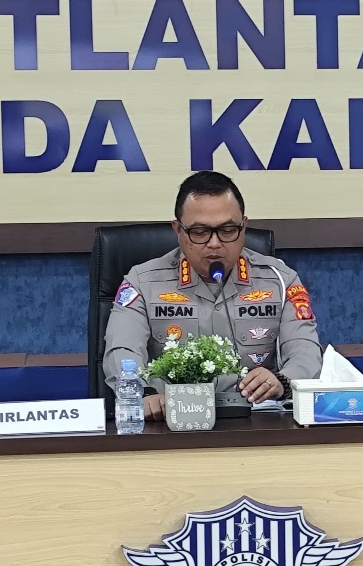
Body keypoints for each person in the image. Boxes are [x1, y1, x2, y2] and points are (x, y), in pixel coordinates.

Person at [103, 170, 323, 420]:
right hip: (173, 422)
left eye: (228, 230)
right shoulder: (142, 283)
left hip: (256, 423)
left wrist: (282, 381)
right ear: (178, 230)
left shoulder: (281, 280)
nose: (215, 243)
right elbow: (122, 350)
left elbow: (306, 351)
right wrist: (144, 394)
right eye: (199, 232)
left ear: (244, 227)